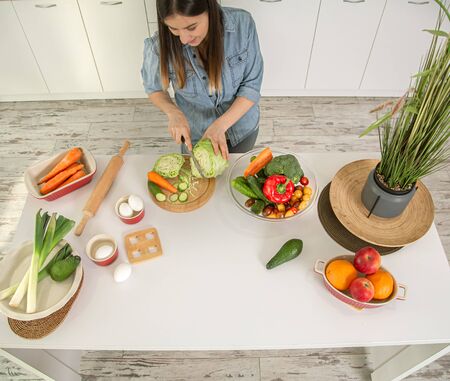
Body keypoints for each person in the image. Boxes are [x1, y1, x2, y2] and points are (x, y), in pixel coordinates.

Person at [141, 0, 263, 159]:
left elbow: (251, 85)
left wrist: (220, 125)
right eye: (173, 28)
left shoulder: (242, 24)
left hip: (242, 130)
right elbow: (154, 88)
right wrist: (173, 113)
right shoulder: (157, 46)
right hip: (197, 137)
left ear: (209, 8)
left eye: (191, 27)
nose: (183, 39)